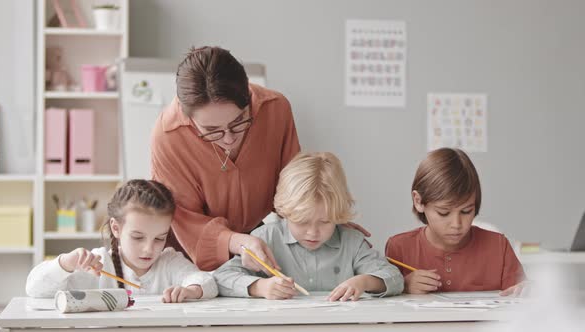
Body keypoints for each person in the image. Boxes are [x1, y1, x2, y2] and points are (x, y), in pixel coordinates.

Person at [151, 46, 370, 272]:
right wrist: (238, 242)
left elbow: (294, 187)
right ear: (188, 117)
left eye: (238, 122)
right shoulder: (168, 135)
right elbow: (187, 219)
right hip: (192, 256)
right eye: (211, 130)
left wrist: (326, 219)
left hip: (258, 240)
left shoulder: (276, 109)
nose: (228, 139)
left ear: (249, 98)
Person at [214, 152, 403, 301]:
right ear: (285, 212)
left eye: (325, 221)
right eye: (302, 221)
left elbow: (394, 278)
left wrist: (363, 282)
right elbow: (221, 278)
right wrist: (260, 287)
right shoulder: (266, 238)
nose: (313, 232)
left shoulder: (351, 242)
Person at [26, 180, 217, 303]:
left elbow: (207, 282)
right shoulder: (98, 265)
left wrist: (191, 291)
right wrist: (66, 263)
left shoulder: (169, 262)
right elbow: (35, 289)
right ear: (116, 228)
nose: (149, 249)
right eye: (138, 237)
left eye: (159, 238)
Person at [385, 148, 527, 296]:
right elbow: (383, 308)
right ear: (418, 201)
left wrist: (529, 290)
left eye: (466, 211)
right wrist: (402, 285)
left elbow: (521, 296)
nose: (457, 224)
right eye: (444, 213)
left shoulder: (498, 247)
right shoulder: (399, 248)